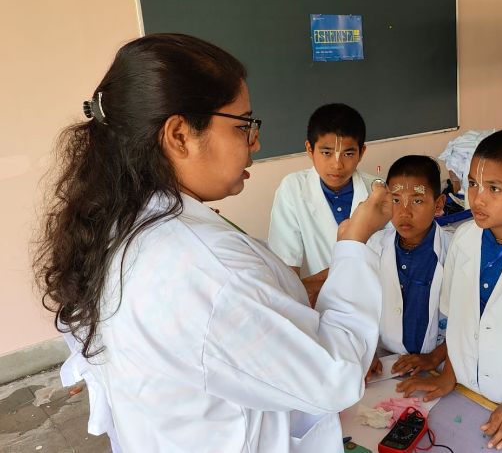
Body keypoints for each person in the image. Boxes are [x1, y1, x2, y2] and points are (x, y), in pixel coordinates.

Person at [33, 33, 392, 452]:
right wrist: (354, 245)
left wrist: (301, 290)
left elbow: (242, 314)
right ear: (180, 135)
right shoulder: (203, 266)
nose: (255, 141)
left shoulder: (118, 222)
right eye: (243, 125)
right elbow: (338, 374)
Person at [397, 129, 502, 450]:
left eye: (494, 188)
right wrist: (449, 374)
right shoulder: (463, 239)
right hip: (467, 391)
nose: (476, 198)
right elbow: (457, 323)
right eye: (473, 183)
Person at [268, 103, 376, 306]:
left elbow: (383, 262)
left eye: (349, 153)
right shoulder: (292, 189)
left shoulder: (377, 191)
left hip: (370, 305)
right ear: (310, 149)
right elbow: (286, 269)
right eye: (327, 153)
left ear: (362, 152)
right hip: (318, 307)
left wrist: (321, 280)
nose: (337, 164)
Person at [365, 155, 450, 381]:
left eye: (417, 201)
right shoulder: (374, 246)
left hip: (437, 366)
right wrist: (365, 352)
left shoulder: (455, 252)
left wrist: (434, 357)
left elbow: (469, 320)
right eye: (396, 200)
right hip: (383, 365)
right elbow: (359, 306)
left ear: (439, 204)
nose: (404, 212)